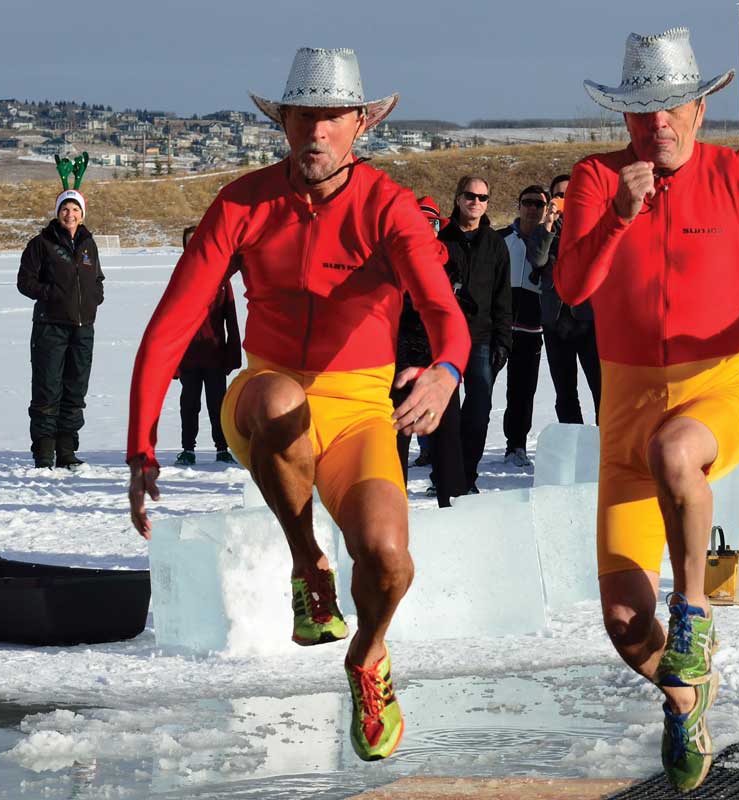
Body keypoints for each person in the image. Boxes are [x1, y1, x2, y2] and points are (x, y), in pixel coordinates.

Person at [125, 47, 470, 762]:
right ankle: (308, 562)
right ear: (282, 122)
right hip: (266, 389)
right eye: (302, 116)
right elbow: (171, 325)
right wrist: (141, 446)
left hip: (360, 408)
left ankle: (368, 659)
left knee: (389, 562)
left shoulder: (389, 207)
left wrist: (445, 368)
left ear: (360, 126)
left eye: (332, 118)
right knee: (283, 398)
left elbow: (443, 308)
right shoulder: (245, 201)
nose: (316, 132)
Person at [558, 27, 739, 791]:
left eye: (675, 108)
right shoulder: (593, 179)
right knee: (621, 623)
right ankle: (684, 697)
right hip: (625, 414)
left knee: (679, 452)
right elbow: (572, 288)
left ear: (701, 106)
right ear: (624, 119)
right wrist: (618, 214)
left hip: (715, 392)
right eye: (644, 114)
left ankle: (694, 613)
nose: (660, 127)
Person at [17, 187, 105, 469]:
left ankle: (67, 449)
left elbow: (97, 278)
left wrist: (94, 297)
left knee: (75, 389)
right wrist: (52, 294)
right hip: (50, 327)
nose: (70, 214)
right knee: (47, 388)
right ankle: (44, 452)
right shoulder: (41, 243)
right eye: (65, 209)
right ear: (58, 213)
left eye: (75, 210)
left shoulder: (89, 244)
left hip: (82, 328)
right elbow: (25, 282)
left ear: (82, 214)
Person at [438, 176, 512, 494]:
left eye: (483, 198)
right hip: (444, 340)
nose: (476, 202)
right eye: (470, 195)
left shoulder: (495, 244)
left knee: (479, 410)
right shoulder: (441, 240)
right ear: (457, 198)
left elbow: (502, 297)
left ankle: (468, 476)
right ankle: (446, 477)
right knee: (445, 412)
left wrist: (503, 341)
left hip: (481, 340)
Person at [392, 196, 465, 508]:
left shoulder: (450, 259)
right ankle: (391, 502)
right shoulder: (395, 261)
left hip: (438, 360)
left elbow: (460, 310)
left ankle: (453, 503)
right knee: (398, 433)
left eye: (432, 223)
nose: (427, 228)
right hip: (399, 357)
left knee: (448, 434)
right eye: (420, 222)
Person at [173, 224, 241, 466]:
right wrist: (171, 361)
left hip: (214, 355)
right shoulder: (180, 278)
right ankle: (187, 448)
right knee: (189, 404)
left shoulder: (221, 279)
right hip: (188, 357)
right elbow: (171, 322)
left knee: (217, 404)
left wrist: (233, 355)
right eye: (189, 243)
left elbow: (230, 319)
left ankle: (222, 448)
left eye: (198, 241)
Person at [535, 173, 601, 425]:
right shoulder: (544, 230)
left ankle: (604, 449)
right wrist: (549, 223)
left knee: (601, 389)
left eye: (570, 195)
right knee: (565, 393)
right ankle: (572, 449)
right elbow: (538, 259)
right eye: (559, 195)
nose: (564, 200)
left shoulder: (594, 225)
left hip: (588, 320)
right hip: (555, 322)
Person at [498, 185, 550, 467]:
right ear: (518, 206)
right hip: (498, 329)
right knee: (480, 391)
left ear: (545, 211)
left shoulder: (548, 242)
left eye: (538, 205)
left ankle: (516, 445)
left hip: (531, 330)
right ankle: (467, 446)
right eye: (527, 202)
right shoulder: (500, 239)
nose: (532, 208)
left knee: (523, 390)